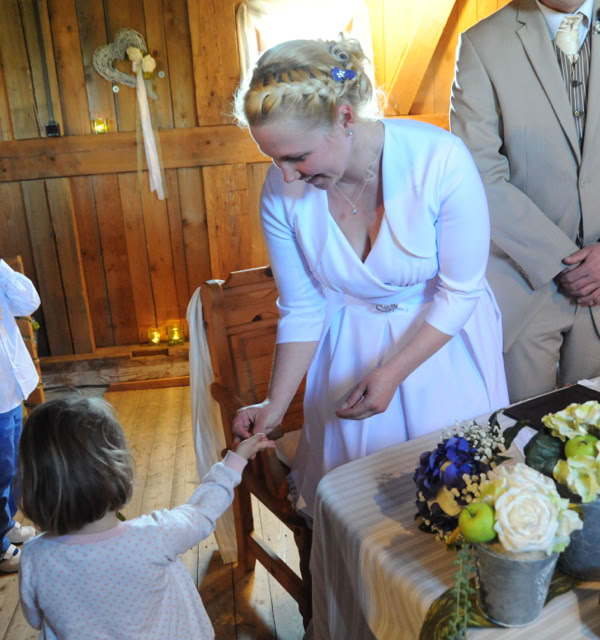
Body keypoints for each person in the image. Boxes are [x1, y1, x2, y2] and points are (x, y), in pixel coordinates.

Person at [231, 37, 509, 519]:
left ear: (344, 117)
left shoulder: (440, 159)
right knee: (360, 514)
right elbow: (303, 307)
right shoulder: (280, 191)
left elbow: (460, 290)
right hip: (349, 353)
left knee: (459, 503)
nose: (287, 176)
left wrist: (392, 373)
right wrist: (274, 406)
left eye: (297, 157)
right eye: (273, 159)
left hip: (441, 347)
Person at [17, 396, 274, 639]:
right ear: (119, 469)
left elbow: (36, 618)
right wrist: (235, 460)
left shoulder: (34, 556)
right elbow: (202, 511)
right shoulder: (154, 537)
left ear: (31, 484)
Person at [450, 0, 600, 402]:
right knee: (521, 430)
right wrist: (561, 261)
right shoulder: (481, 44)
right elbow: (478, 173)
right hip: (524, 284)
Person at [0, 258, 40, 573]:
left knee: (11, 466)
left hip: (10, 387)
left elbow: (28, 303)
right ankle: (0, 548)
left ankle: (6, 524)